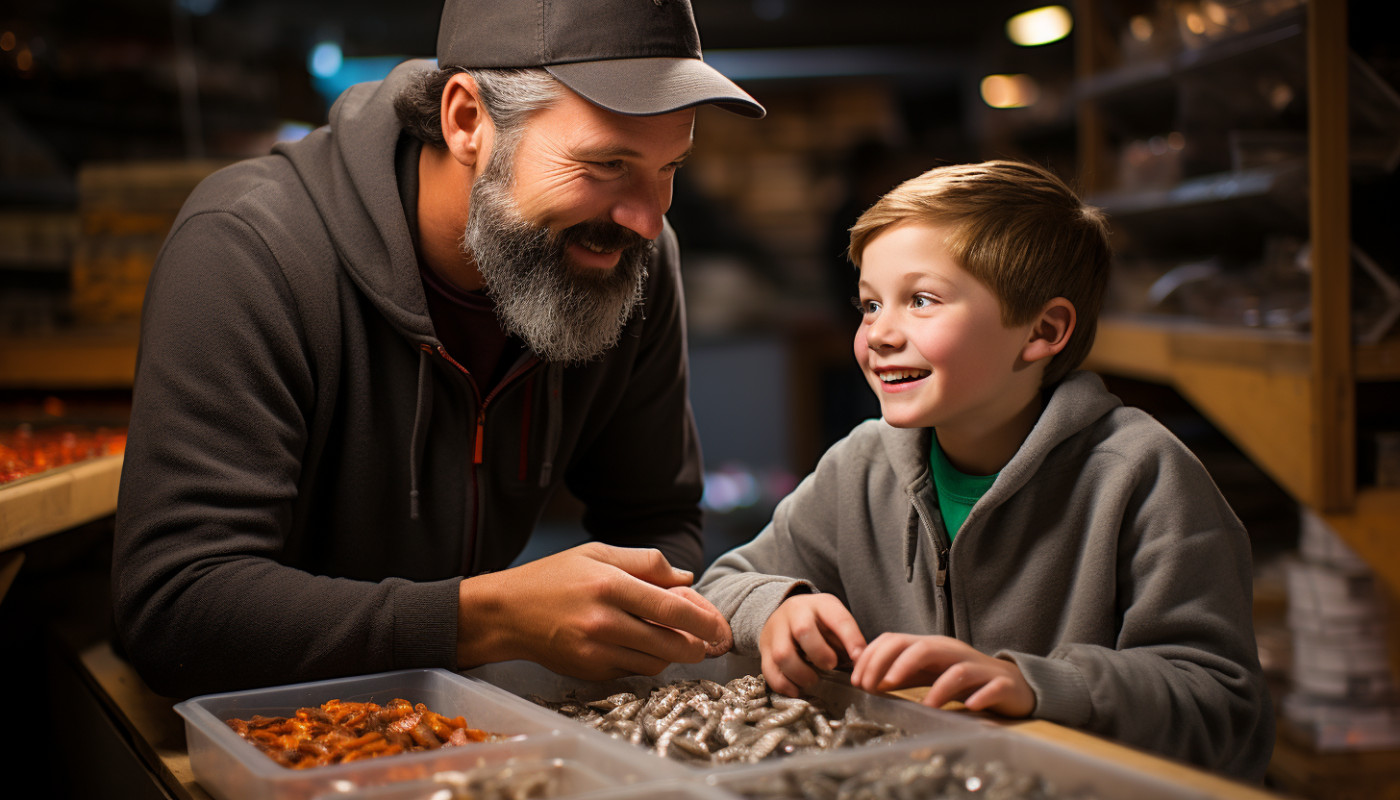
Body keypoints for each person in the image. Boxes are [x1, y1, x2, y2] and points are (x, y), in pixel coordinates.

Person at [112, 0, 765, 699]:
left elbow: (655, 520)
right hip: (257, 732)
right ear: (466, 121)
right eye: (608, 164)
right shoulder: (249, 251)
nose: (647, 216)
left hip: (469, 729)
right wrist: (485, 619)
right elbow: (173, 609)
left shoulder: (629, 257)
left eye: (670, 167)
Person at [696, 161, 1274, 780]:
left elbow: (1225, 711)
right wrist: (775, 606)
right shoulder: (859, 466)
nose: (880, 334)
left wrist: (1036, 687)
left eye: (920, 300)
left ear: (1042, 331)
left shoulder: (1142, 475)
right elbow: (722, 587)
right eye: (869, 305)